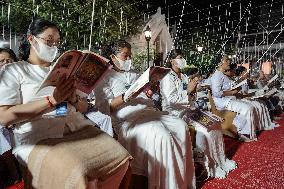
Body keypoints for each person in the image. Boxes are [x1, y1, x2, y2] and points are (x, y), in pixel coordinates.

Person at [0, 18, 132, 189]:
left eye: (57, 43)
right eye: (49, 41)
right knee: (78, 172)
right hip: (37, 135)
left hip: (75, 126)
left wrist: (72, 99)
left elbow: (83, 107)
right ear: (31, 39)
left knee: (120, 158)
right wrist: (51, 100)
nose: (53, 46)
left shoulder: (63, 70)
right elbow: (4, 116)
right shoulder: (15, 70)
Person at [92, 40, 195, 189]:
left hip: (150, 112)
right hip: (128, 119)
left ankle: (182, 183)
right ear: (112, 56)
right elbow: (104, 108)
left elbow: (146, 97)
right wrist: (126, 97)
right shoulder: (104, 77)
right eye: (125, 56)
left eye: (130, 56)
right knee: (162, 136)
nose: (129, 59)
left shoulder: (135, 74)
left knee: (181, 126)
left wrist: (150, 90)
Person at [159, 49, 237, 179]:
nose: (182, 60)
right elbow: (171, 100)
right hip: (175, 114)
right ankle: (207, 166)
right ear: (172, 60)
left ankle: (220, 159)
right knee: (205, 130)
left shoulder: (184, 76)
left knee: (215, 124)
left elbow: (191, 96)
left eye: (183, 57)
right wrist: (188, 91)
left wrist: (193, 91)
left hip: (189, 110)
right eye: (179, 57)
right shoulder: (167, 77)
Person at [210, 55, 261, 141]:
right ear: (219, 63)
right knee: (248, 108)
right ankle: (244, 133)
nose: (229, 62)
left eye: (228, 60)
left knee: (251, 105)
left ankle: (242, 129)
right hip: (223, 102)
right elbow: (216, 93)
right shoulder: (216, 76)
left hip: (230, 99)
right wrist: (232, 92)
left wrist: (236, 89)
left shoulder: (224, 75)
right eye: (226, 60)